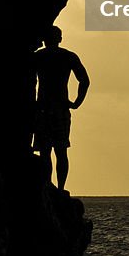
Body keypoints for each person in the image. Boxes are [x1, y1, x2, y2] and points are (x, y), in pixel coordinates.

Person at [33, 27, 89, 192]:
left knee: (46, 151)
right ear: (60, 39)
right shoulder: (68, 57)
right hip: (59, 108)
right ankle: (59, 188)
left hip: (43, 108)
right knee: (60, 150)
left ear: (44, 40)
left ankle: (48, 186)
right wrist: (76, 102)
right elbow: (84, 80)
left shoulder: (39, 57)